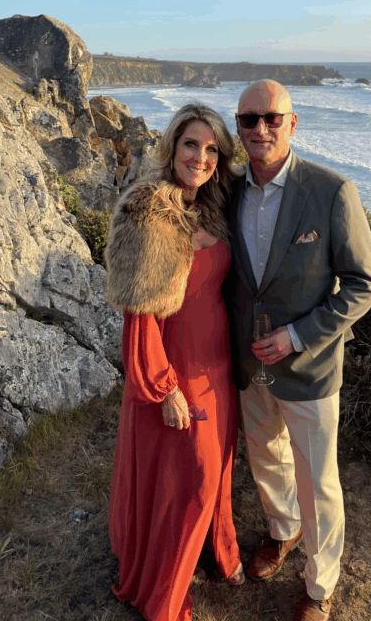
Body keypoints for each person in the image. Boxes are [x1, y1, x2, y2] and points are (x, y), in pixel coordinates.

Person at [226, 79, 371, 621]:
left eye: (273, 118)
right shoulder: (227, 190)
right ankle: (283, 532)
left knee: (319, 482)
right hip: (246, 365)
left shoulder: (332, 190)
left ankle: (320, 587)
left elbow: (365, 283)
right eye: (249, 119)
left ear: (293, 123)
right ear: (238, 126)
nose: (261, 128)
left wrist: (295, 336)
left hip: (309, 366)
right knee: (267, 459)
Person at [106, 102, 244, 621]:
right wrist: (162, 387)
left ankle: (217, 549)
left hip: (217, 366)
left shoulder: (211, 206)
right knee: (192, 478)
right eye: (191, 144)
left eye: (212, 149)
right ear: (172, 146)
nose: (201, 157)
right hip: (174, 369)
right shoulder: (152, 211)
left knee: (216, 470)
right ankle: (163, 588)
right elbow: (140, 315)